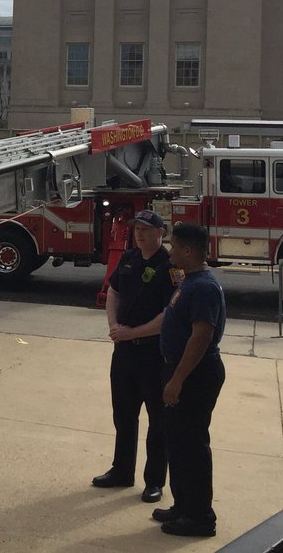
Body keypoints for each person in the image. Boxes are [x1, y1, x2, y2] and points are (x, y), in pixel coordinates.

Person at [93, 209, 174, 504]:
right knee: (124, 416)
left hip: (153, 355)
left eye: (145, 229)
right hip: (124, 353)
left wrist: (135, 332)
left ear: (160, 232)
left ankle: (154, 482)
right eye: (136, 229)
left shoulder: (171, 266)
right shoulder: (129, 258)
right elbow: (113, 291)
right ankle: (121, 471)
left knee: (158, 421)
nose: (139, 234)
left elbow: (171, 313)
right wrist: (114, 326)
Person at [153, 222, 226, 539]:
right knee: (177, 442)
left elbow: (201, 336)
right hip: (180, 370)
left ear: (187, 250)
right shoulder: (190, 281)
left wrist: (177, 379)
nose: (170, 251)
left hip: (194, 374)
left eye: (173, 246)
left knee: (192, 445)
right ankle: (183, 505)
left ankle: (199, 517)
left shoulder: (203, 287)